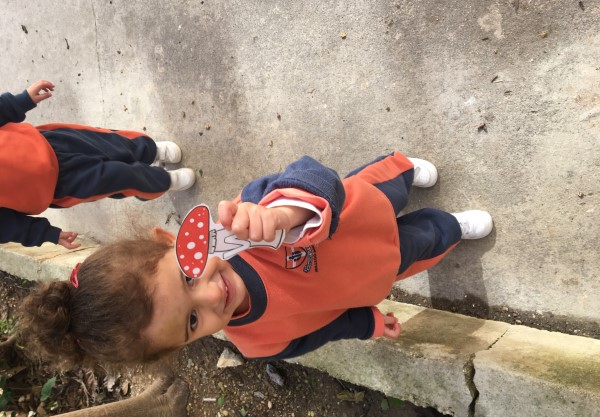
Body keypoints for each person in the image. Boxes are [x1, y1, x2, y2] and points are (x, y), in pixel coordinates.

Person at [18, 152, 493, 367]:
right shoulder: (260, 344)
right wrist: (366, 323)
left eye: (188, 278)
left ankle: (405, 169)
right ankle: (451, 226)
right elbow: (319, 331)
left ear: (171, 241)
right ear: (184, 344)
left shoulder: (246, 226)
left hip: (355, 211)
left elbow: (315, 174)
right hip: (377, 271)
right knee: (427, 239)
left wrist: (283, 213)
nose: (211, 297)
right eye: (192, 322)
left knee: (386, 186)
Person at [0, 80, 196, 249]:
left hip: (49, 143)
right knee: (119, 177)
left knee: (113, 144)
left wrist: (21, 101)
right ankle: (164, 180)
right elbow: (7, 227)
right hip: (60, 186)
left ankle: (151, 151)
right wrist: (47, 234)